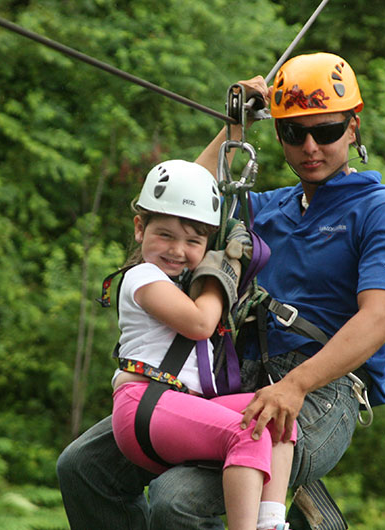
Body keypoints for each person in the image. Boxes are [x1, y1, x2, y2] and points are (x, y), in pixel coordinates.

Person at [57, 52, 385, 529]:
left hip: (320, 389)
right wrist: (234, 129)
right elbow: (179, 207)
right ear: (280, 136)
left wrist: (294, 387)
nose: (311, 146)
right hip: (230, 377)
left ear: (354, 128)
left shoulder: (384, 213)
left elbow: (377, 320)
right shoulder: (267, 208)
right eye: (295, 133)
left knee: (178, 501)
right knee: (84, 469)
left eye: (328, 131)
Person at [109, 159, 295, 530]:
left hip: (176, 404)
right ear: (139, 228)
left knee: (275, 411)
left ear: (207, 243)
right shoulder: (141, 276)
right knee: (247, 433)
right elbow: (200, 323)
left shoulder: (183, 279)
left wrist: (237, 125)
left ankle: (271, 521)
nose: (177, 250)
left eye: (193, 241)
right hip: (145, 405)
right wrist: (223, 274)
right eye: (165, 235)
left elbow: (202, 176)